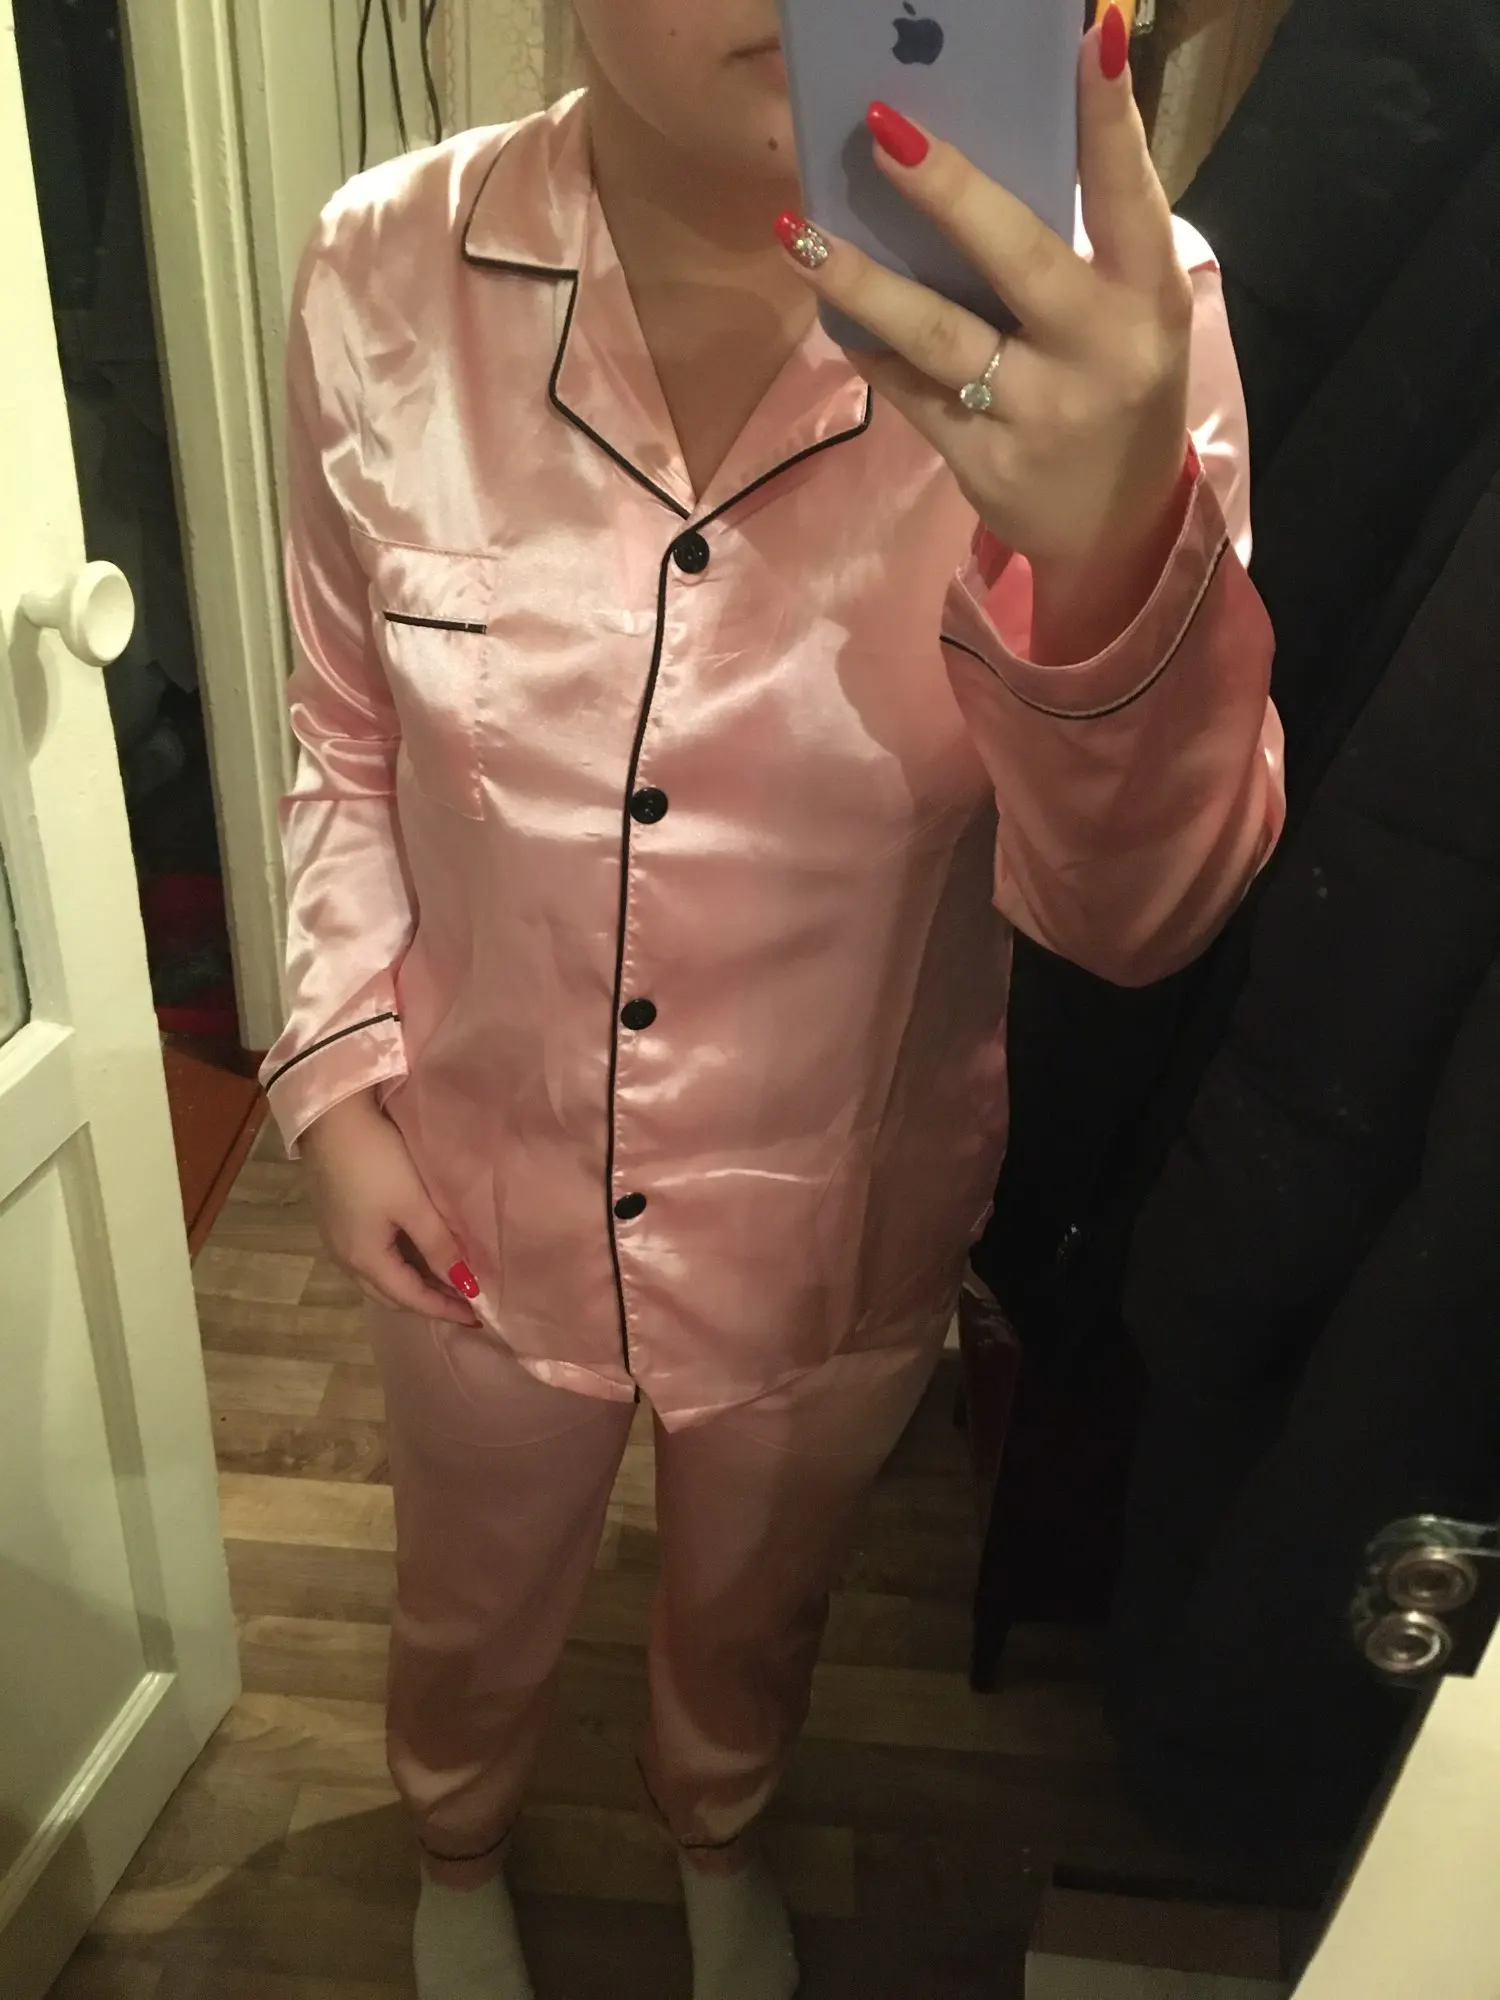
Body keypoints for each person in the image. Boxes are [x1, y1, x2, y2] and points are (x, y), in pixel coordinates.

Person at [259, 3, 1283, 1994]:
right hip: (468, 1185)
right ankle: (455, 1836)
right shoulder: (381, 271)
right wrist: (331, 1071)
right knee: (468, 1593)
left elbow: (1140, 921)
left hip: (841, 1212)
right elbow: (342, 723)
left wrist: (1114, 567)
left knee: (757, 1605)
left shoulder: (1105, 323)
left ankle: (716, 1820)